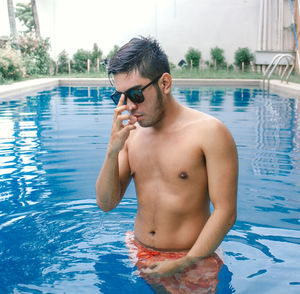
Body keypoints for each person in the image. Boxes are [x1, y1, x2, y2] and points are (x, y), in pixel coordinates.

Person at [96, 36, 238, 293]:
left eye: (136, 94)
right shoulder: (132, 133)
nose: (129, 106)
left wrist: (185, 262)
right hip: (139, 252)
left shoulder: (210, 133)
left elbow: (226, 212)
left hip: (193, 256)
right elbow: (106, 204)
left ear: (165, 83)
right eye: (121, 96)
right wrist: (111, 150)